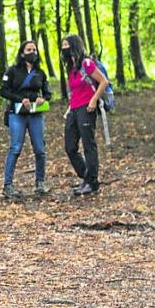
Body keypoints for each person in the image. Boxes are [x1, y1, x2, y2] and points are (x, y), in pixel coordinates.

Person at [0, 40, 51, 199]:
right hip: (17, 114)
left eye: (34, 49)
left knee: (40, 149)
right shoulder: (13, 71)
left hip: (36, 115)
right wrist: (19, 99)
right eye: (29, 49)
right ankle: (8, 185)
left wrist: (44, 99)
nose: (32, 52)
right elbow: (3, 91)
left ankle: (40, 182)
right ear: (22, 53)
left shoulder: (40, 73)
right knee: (15, 148)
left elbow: (47, 93)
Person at [60, 34, 108, 196]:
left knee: (89, 145)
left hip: (86, 108)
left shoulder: (86, 63)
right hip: (74, 109)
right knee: (70, 146)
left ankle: (92, 182)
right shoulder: (71, 67)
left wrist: (93, 101)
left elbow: (103, 82)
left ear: (73, 45)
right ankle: (86, 175)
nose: (63, 48)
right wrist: (69, 108)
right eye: (62, 46)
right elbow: (74, 91)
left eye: (66, 45)